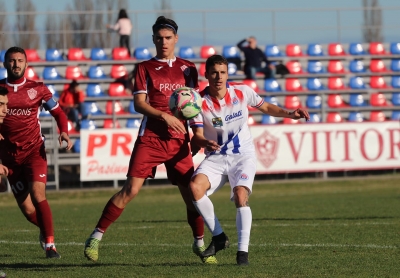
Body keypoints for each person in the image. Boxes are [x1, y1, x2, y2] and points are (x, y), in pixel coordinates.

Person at [84, 16, 217, 264]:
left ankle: (199, 244)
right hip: (151, 138)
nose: (163, 42)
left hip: (179, 141)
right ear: (154, 39)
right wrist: (165, 116)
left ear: (176, 39)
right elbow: (138, 103)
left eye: (168, 38)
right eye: (159, 38)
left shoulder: (188, 68)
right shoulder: (145, 67)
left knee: (192, 194)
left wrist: (197, 133)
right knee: (130, 190)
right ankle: (95, 236)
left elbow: (194, 105)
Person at [189, 55, 309, 265]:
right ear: (206, 74)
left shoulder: (242, 92)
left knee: (240, 195)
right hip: (216, 157)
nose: (219, 77)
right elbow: (197, 134)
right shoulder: (198, 103)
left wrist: (290, 114)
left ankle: (242, 254)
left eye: (223, 72)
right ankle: (218, 237)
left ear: (228, 74)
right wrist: (203, 141)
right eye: (214, 72)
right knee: (194, 188)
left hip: (242, 155)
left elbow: (265, 107)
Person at [0, 46, 73, 259]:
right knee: (27, 211)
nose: (16, 64)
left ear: (26, 64)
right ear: (5, 64)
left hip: (34, 152)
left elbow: (59, 113)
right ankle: (45, 230)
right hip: (9, 157)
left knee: (38, 194)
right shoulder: (0, 91)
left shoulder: (38, 89)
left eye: (20, 60)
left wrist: (65, 132)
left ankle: (50, 245)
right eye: (11, 61)